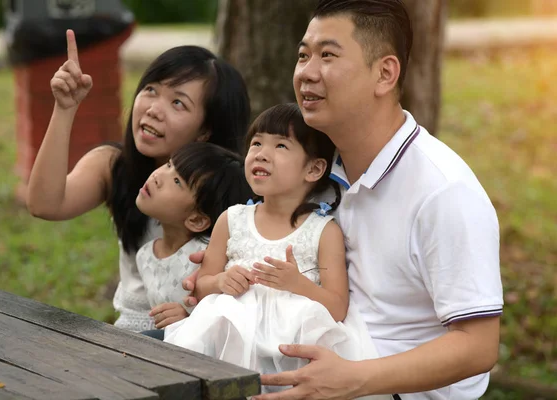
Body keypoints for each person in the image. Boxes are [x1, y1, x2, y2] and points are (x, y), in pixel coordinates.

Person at [249, 1, 505, 399]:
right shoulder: (315, 170)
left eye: (328, 55)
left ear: (384, 74)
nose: (306, 73)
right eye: (303, 55)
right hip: (308, 366)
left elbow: (478, 345)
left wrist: (353, 378)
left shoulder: (443, 191)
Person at [25, 29, 250, 332]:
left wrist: (194, 321)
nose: (154, 109)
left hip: (194, 340)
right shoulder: (113, 165)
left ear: (205, 131)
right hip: (128, 336)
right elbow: (44, 204)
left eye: (178, 103)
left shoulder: (229, 197)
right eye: (151, 90)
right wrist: (64, 109)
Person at [164, 104, 384, 397]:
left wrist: (298, 284)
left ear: (314, 168)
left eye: (280, 145)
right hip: (228, 347)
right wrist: (219, 282)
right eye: (256, 143)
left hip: (291, 353)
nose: (261, 153)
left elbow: (337, 308)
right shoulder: (232, 219)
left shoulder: (323, 231)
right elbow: (201, 286)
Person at [135, 142, 252, 331]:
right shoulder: (144, 256)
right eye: (168, 165)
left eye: (177, 182)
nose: (158, 176)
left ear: (197, 219)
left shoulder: (209, 258)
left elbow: (227, 320)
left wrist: (188, 320)